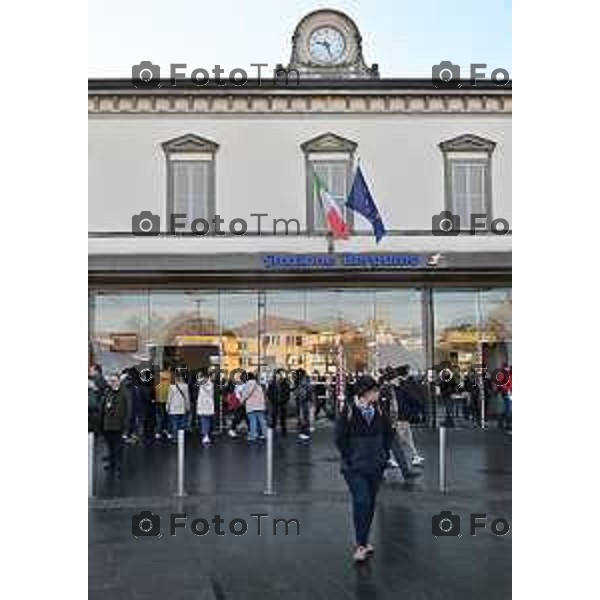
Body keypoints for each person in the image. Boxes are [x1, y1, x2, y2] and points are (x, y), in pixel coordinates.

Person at [335, 375, 393, 563]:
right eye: (375, 391)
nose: (378, 394)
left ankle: (365, 540)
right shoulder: (349, 410)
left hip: (375, 465)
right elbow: (340, 438)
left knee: (370, 503)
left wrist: (384, 455)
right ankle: (361, 544)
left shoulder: (380, 409)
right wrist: (349, 458)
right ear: (365, 392)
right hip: (354, 467)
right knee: (362, 501)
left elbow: (388, 433)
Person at [393, 366, 425, 466]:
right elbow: (408, 398)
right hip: (402, 415)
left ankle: (415, 455)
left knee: (407, 437)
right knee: (400, 438)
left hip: (403, 415)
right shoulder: (402, 385)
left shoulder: (399, 385)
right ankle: (392, 457)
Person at [99, 373, 130, 475]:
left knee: (119, 448)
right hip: (108, 425)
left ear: (119, 381)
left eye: (114, 381)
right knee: (110, 447)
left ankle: (118, 467)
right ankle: (112, 464)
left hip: (120, 425)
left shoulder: (125, 393)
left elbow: (129, 411)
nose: (112, 383)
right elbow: (102, 408)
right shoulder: (107, 392)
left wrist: (126, 427)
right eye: (110, 381)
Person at [240, 372, 267, 442]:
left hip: (251, 406)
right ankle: (263, 435)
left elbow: (245, 394)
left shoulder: (248, 384)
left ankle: (253, 436)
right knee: (261, 421)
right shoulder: (258, 385)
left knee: (253, 421)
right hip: (260, 406)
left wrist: (241, 401)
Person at [267, 369, 290, 435]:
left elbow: (287, 392)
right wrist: (271, 400)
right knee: (274, 416)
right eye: (276, 375)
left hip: (282, 402)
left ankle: (283, 430)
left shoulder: (285, 383)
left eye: (279, 375)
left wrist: (285, 400)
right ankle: (273, 429)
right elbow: (269, 393)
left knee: (283, 417)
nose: (278, 377)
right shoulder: (272, 384)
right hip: (275, 402)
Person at [167, 373, 190, 438]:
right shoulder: (185, 386)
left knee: (174, 423)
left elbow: (169, 397)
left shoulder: (172, 386)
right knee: (182, 423)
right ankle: (181, 437)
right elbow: (187, 397)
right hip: (182, 407)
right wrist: (188, 406)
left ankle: (175, 437)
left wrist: (167, 406)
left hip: (173, 407)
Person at [196, 370, 215, 446]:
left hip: (202, 404)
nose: (214, 376)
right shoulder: (209, 383)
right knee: (206, 420)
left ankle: (205, 434)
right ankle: (206, 435)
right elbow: (211, 393)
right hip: (207, 404)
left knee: (205, 420)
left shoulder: (201, 382)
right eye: (213, 375)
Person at [295, 369, 314, 441]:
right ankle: (305, 432)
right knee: (305, 417)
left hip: (304, 402)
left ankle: (305, 433)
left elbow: (303, 393)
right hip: (306, 402)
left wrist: (298, 394)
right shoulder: (306, 381)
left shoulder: (303, 382)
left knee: (304, 418)